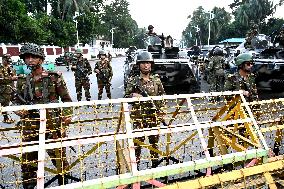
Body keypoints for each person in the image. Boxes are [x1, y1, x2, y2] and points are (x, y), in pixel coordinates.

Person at [15, 43, 73, 188]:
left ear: (41, 58)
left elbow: (66, 100)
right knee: (28, 163)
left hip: (52, 125)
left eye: (33, 57)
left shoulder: (53, 78)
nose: (30, 60)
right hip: (30, 126)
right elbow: (17, 102)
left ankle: (64, 185)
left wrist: (67, 116)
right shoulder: (22, 80)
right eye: (27, 57)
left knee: (59, 160)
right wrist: (18, 110)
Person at [124, 51, 165, 168]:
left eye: (148, 63)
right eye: (143, 63)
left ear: (151, 64)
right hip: (139, 118)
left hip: (154, 117)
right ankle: (136, 169)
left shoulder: (156, 80)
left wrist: (162, 112)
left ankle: (155, 167)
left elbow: (163, 97)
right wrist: (133, 96)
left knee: (154, 144)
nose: (146, 65)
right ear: (139, 65)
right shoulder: (133, 81)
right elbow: (125, 97)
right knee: (137, 145)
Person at [0, 54, 17, 123]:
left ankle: (6, 117)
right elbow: (1, 79)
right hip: (2, 89)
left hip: (9, 89)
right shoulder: (0, 68)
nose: (8, 63)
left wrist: (14, 86)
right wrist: (11, 78)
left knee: (7, 103)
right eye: (7, 61)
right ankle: (5, 118)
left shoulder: (10, 68)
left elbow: (14, 77)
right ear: (3, 60)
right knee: (4, 104)